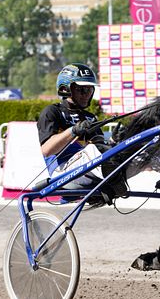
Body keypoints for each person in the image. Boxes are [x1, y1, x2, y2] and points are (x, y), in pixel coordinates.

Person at [37, 63, 126, 202]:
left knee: (127, 149)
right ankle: (114, 183)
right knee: (91, 149)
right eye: (81, 90)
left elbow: (101, 147)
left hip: (86, 170)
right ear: (66, 89)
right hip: (62, 173)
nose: (86, 94)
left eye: (89, 90)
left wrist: (115, 142)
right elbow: (47, 150)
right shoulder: (51, 112)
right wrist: (73, 131)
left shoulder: (90, 117)